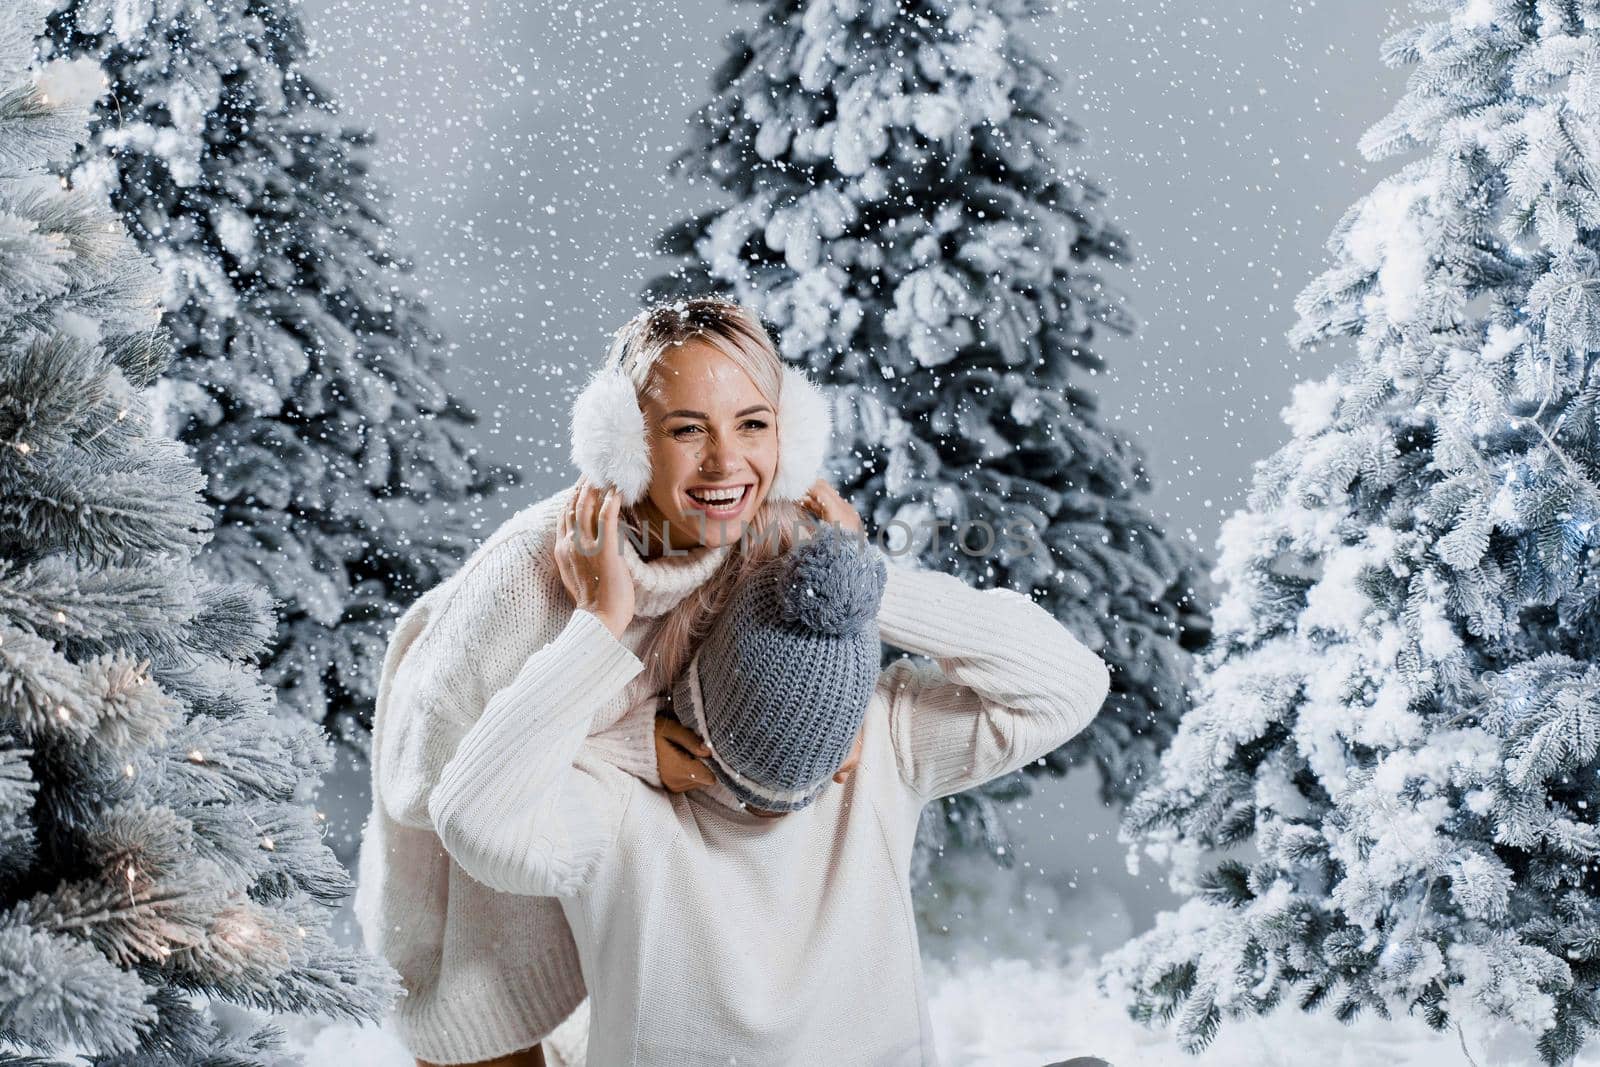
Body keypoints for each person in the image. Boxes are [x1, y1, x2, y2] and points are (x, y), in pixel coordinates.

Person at [423, 473, 1113, 1064]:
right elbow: (471, 817)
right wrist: (600, 629)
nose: (797, 797)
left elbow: (1070, 683)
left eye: (827, 756)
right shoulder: (619, 797)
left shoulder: (883, 741)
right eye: (749, 775)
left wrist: (869, 579)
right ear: (689, 718)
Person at [354, 297, 837, 1066]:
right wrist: (603, 645)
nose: (726, 462)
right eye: (687, 429)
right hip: (482, 941)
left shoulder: (761, 550)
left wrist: (846, 573)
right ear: (625, 444)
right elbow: (422, 780)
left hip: (618, 926)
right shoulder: (527, 572)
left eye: (753, 423)